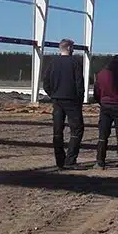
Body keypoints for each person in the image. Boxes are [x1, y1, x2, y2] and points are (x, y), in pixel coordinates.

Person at [43, 38, 85, 170]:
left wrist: (53, 94)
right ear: (69, 48)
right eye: (72, 48)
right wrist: (79, 100)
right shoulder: (75, 62)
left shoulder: (53, 62)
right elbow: (79, 83)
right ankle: (70, 159)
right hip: (72, 100)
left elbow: (46, 82)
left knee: (57, 130)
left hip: (57, 100)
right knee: (77, 129)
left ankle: (59, 160)